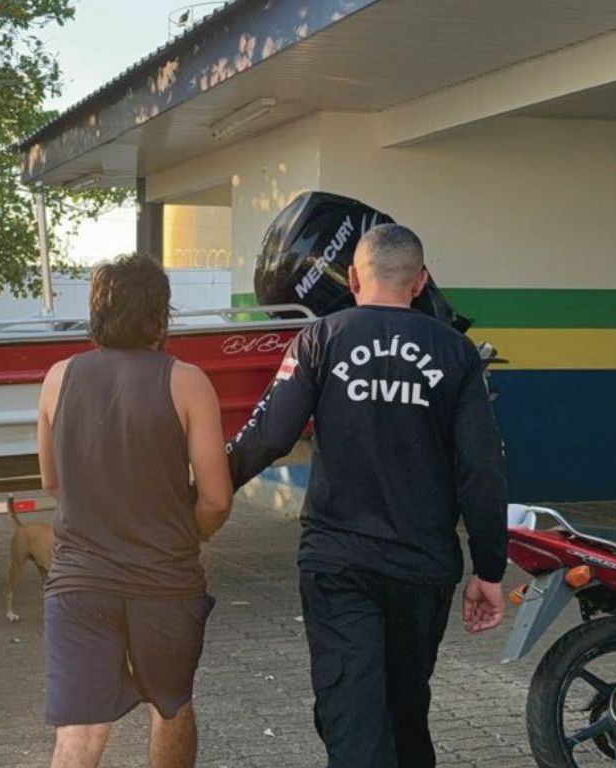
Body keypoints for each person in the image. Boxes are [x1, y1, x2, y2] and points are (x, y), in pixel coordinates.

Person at [226, 223, 507, 768]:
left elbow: (267, 437)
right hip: (422, 567)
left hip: (338, 563)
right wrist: (489, 569)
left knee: (353, 715)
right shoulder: (456, 352)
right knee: (404, 709)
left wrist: (197, 496)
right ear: (420, 281)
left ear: (353, 277)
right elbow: (482, 468)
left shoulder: (320, 339)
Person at [37, 253, 234, 768]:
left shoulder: (58, 377)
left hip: (79, 581)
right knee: (170, 708)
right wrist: (188, 535)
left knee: (78, 732)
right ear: (160, 315)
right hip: (165, 581)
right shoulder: (187, 381)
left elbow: (52, 482)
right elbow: (216, 498)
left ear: (96, 312)